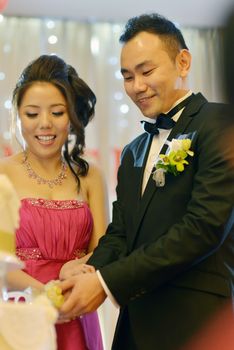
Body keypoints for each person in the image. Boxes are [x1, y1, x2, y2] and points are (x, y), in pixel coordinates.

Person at [59, 13, 234, 350]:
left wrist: (106, 282)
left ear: (182, 61)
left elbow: (204, 227)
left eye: (146, 71)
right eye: (127, 76)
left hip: (197, 322)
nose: (136, 86)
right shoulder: (133, 151)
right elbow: (122, 232)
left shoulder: (220, 123)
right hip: (135, 328)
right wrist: (90, 270)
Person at [0, 54, 108, 350]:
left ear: (71, 116)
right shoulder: (2, 175)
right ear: (17, 116)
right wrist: (46, 296)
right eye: (32, 114)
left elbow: (104, 249)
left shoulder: (91, 176)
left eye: (57, 113)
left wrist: (72, 275)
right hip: (22, 312)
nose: (44, 125)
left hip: (77, 308)